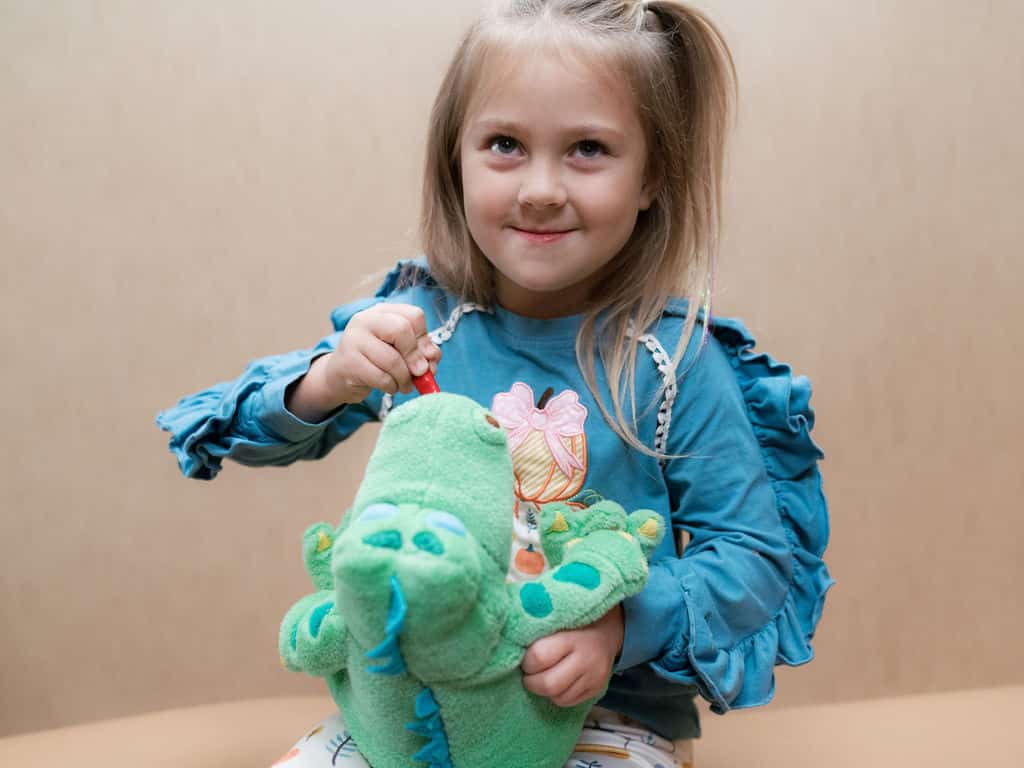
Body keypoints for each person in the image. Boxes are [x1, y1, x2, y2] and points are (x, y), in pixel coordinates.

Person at [157, 2, 833, 766]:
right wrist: (330, 380)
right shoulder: (421, 323)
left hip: (601, 720)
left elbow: (752, 558)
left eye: (587, 149)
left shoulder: (673, 364)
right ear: (457, 159)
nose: (541, 189)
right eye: (506, 144)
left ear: (653, 179)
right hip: (413, 710)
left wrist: (621, 625)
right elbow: (239, 433)